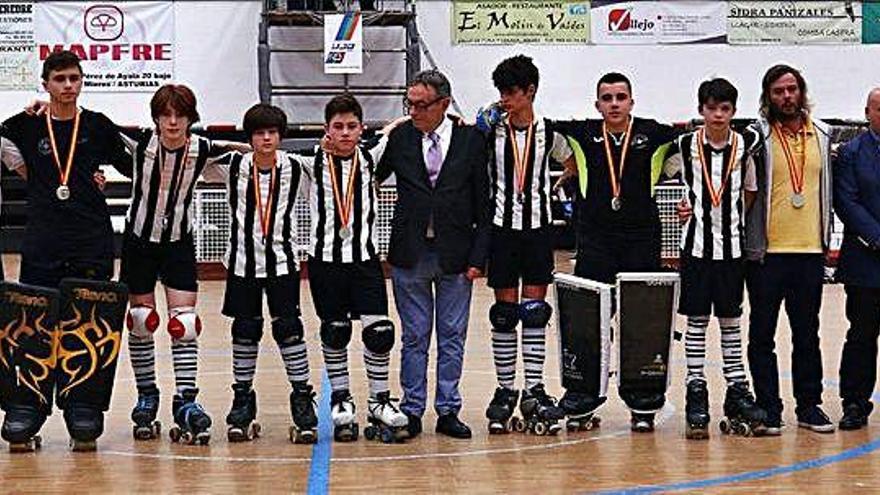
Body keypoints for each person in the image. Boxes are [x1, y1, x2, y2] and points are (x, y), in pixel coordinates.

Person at [0, 50, 132, 448]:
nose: (68, 85)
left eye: (74, 78)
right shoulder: (26, 124)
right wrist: (25, 169)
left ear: (82, 81)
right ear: (45, 84)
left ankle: (83, 406)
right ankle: (27, 406)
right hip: (43, 240)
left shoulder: (97, 125)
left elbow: (134, 163)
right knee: (34, 322)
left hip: (91, 239)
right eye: (59, 79)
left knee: (89, 321)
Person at [553, 72, 677, 432]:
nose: (614, 104)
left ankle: (642, 398)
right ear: (597, 105)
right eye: (607, 98)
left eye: (621, 97)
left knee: (641, 320)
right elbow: (535, 129)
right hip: (596, 241)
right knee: (589, 318)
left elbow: (697, 148)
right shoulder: (580, 134)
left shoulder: (655, 134)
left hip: (642, 240)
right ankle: (583, 394)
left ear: (631, 102)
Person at [376, 69, 491, 439]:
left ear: (444, 103)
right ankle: (411, 409)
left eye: (422, 105)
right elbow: (368, 173)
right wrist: (382, 134)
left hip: (456, 254)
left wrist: (478, 258)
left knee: (452, 335)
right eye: (409, 104)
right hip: (410, 252)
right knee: (414, 336)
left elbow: (484, 203)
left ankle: (448, 409)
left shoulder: (472, 140)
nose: (414, 112)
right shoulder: (400, 138)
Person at [661, 78, 767, 439]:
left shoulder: (746, 145)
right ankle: (696, 389)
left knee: (731, 321)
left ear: (734, 111)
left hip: (732, 250)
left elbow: (750, 192)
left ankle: (737, 389)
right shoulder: (683, 146)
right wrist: (685, 205)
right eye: (711, 108)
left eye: (725, 108)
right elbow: (666, 177)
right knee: (696, 321)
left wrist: (729, 217)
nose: (718, 115)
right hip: (695, 250)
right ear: (701, 110)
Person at [208, 104, 319, 444]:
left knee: (289, 329)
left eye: (272, 132)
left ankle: (302, 396)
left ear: (281, 136)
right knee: (245, 329)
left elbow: (342, 158)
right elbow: (191, 153)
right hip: (242, 263)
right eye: (259, 133)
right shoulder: (233, 166)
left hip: (283, 263)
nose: (266, 138)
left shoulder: (297, 167)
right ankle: (242, 398)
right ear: (250, 137)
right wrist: (234, 146)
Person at [478, 55, 574, 435]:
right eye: (501, 91)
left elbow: (574, 161)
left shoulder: (550, 132)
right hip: (501, 229)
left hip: (537, 229)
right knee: (504, 314)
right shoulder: (492, 130)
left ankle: (534, 388)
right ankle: (506, 389)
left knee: (534, 312)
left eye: (511, 92)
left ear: (530, 91)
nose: (504, 98)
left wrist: (561, 182)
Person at [306, 94, 408, 442]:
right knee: (335, 331)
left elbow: (395, 128)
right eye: (338, 127)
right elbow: (263, 154)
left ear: (362, 128)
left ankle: (379, 400)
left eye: (352, 126)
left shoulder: (370, 156)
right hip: (325, 262)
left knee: (379, 332)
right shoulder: (309, 162)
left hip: (365, 261)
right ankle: (341, 399)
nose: (346, 133)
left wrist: (453, 118)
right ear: (327, 130)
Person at [742, 64, 835, 434]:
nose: (786, 97)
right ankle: (768, 407)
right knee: (762, 334)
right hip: (767, 254)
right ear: (768, 96)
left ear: (801, 91)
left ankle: (809, 406)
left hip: (810, 251)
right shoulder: (756, 136)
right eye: (778, 91)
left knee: (807, 333)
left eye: (792, 89)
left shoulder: (823, 134)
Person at [833, 87, 880, 431]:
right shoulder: (850, 153)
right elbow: (846, 201)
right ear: (867, 113)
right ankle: (854, 403)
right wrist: (877, 237)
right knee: (862, 335)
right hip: (866, 263)